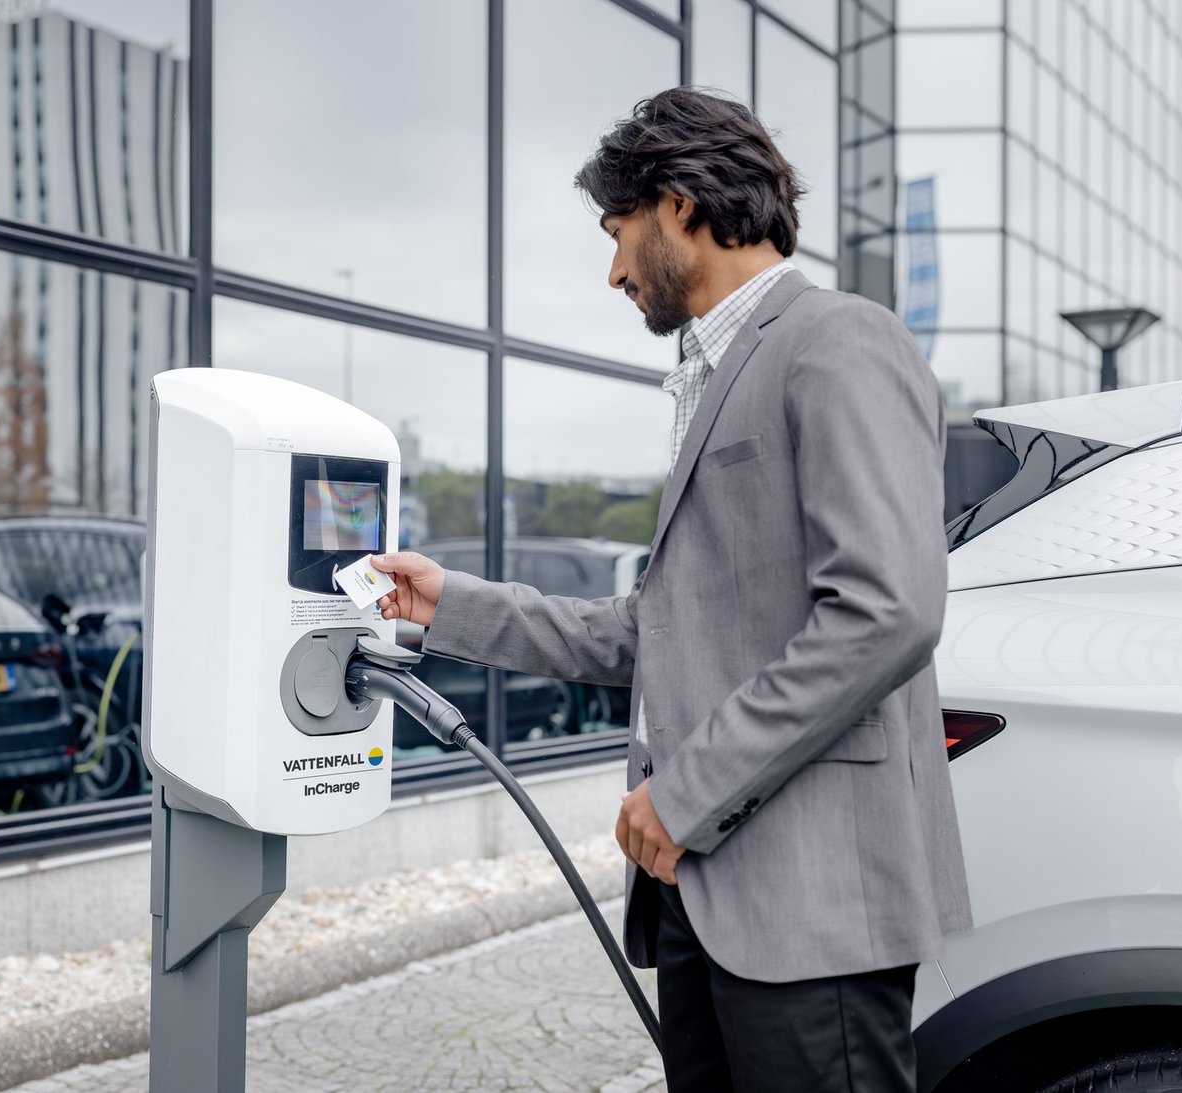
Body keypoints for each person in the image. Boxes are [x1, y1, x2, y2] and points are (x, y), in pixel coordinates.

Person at [372, 87, 970, 1093]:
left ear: (680, 204)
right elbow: (655, 629)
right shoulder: (718, 370)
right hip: (702, 897)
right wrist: (450, 604)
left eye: (617, 233)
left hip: (807, 913)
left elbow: (886, 610)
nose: (611, 270)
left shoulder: (836, 340)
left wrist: (683, 795)